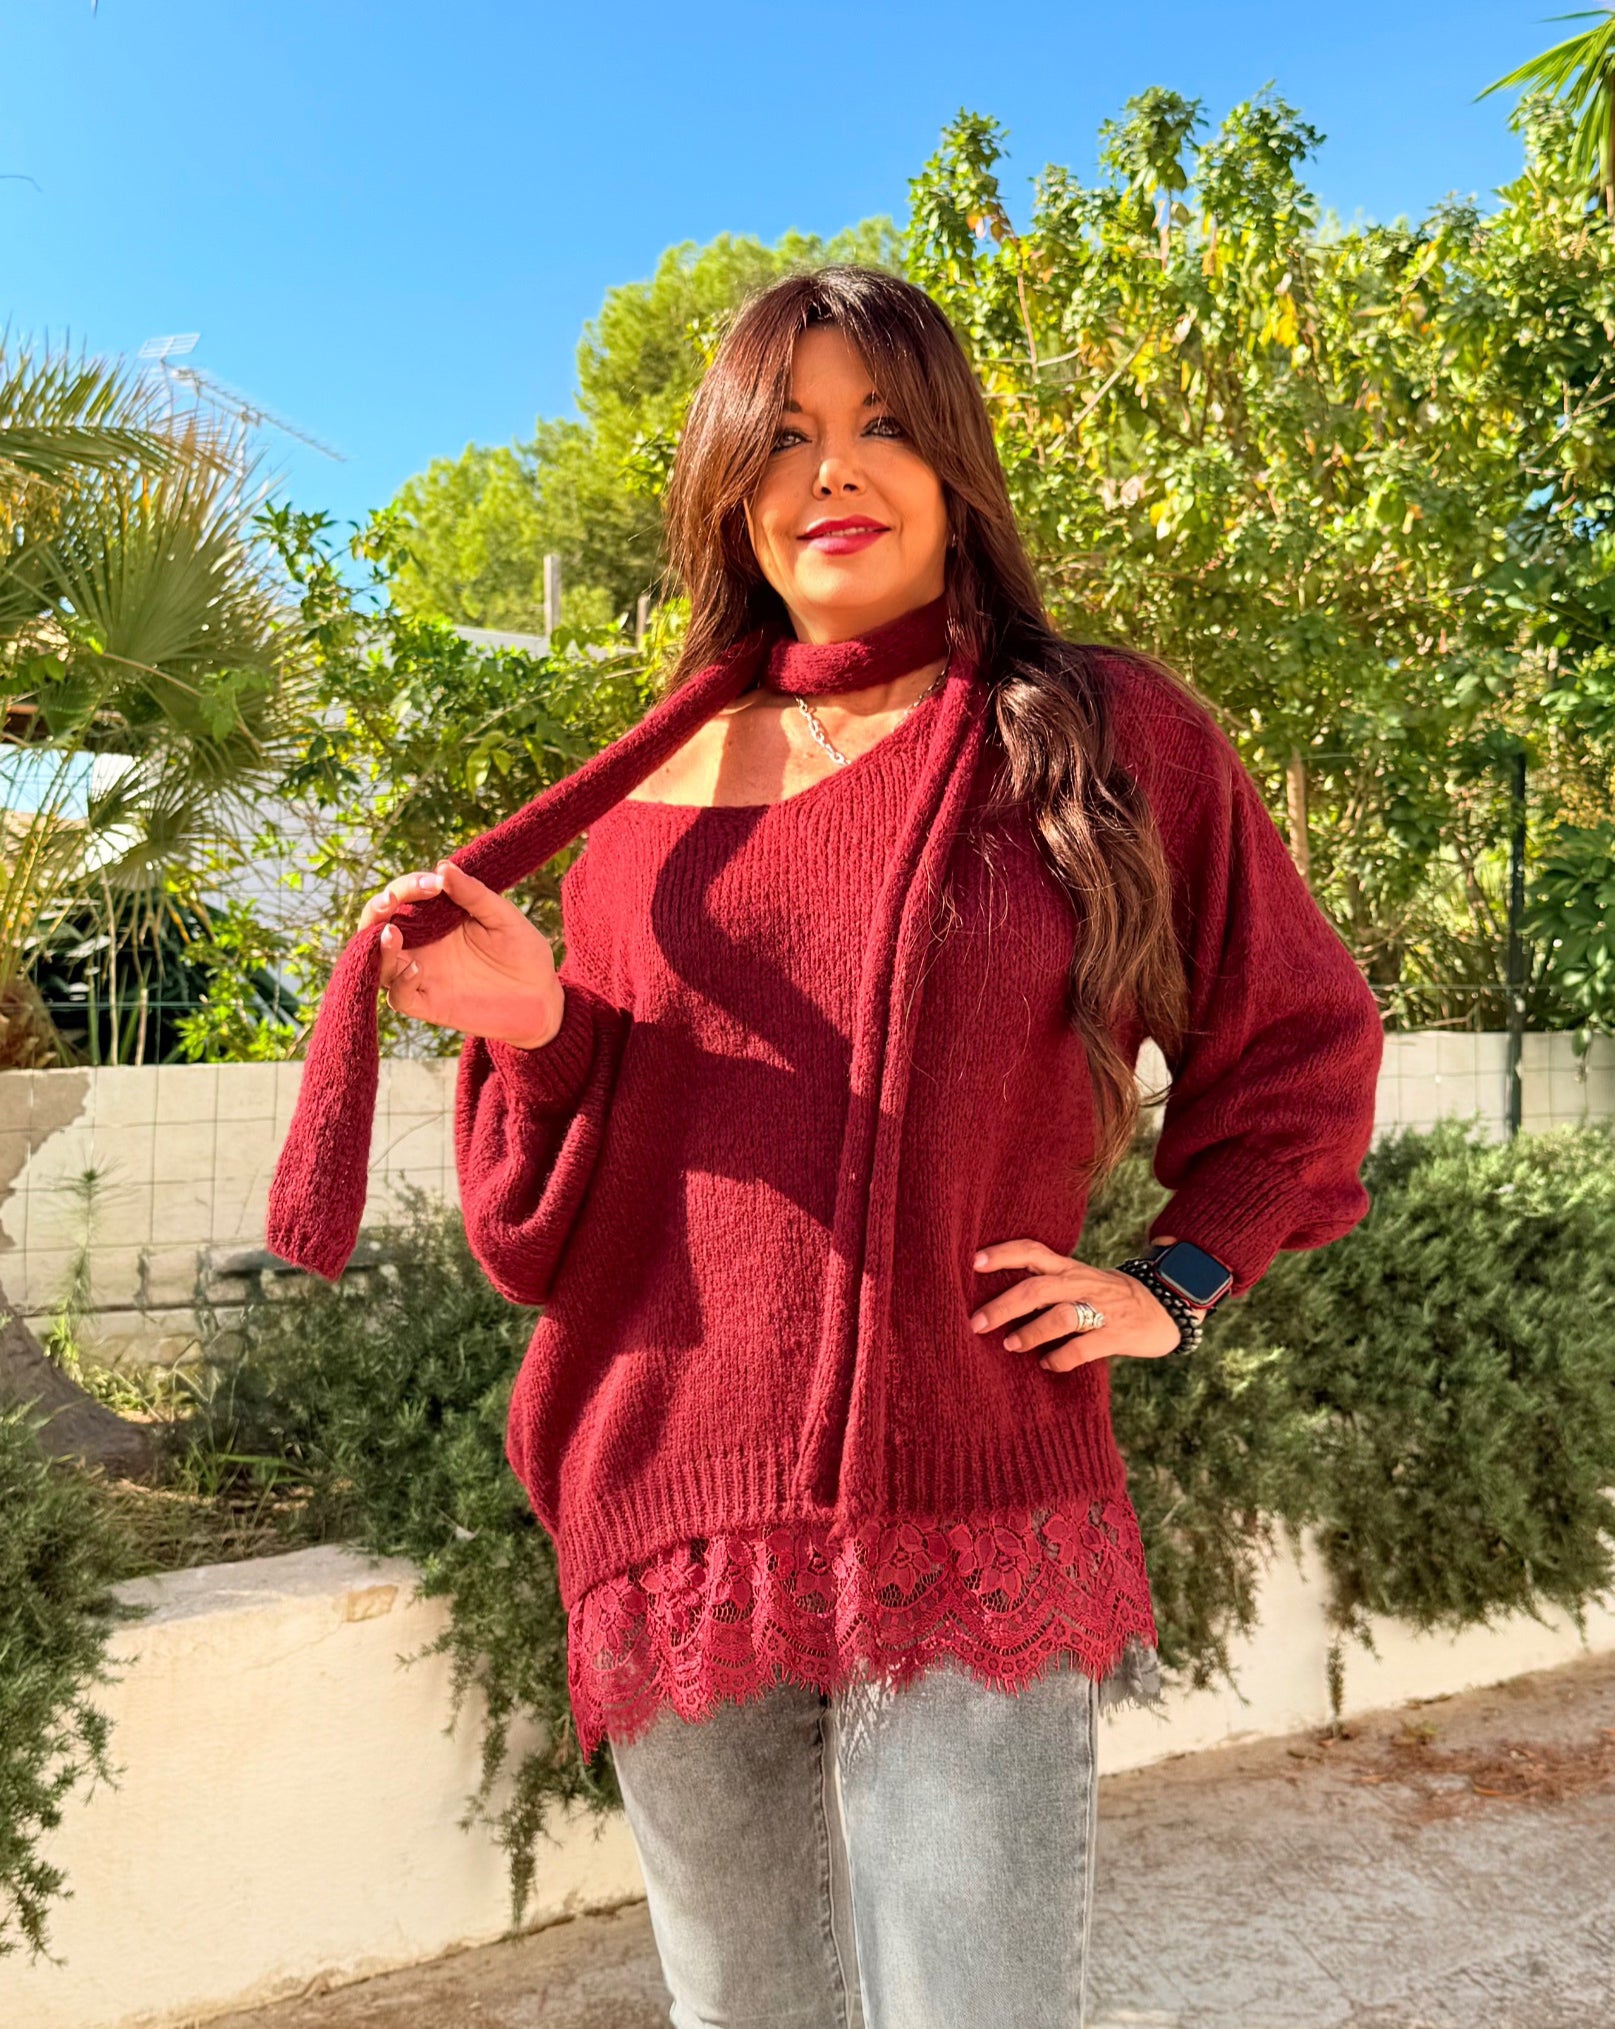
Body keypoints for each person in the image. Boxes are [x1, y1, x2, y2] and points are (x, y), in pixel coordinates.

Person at [341, 267, 1384, 2027]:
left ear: (954, 462)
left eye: (884, 424)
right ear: (728, 489)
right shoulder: (645, 805)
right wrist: (539, 1029)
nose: (834, 470)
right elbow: (547, 1228)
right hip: (676, 1507)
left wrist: (1179, 1281)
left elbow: (1299, 1043)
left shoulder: (1099, 735)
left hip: (977, 1498)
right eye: (788, 435)